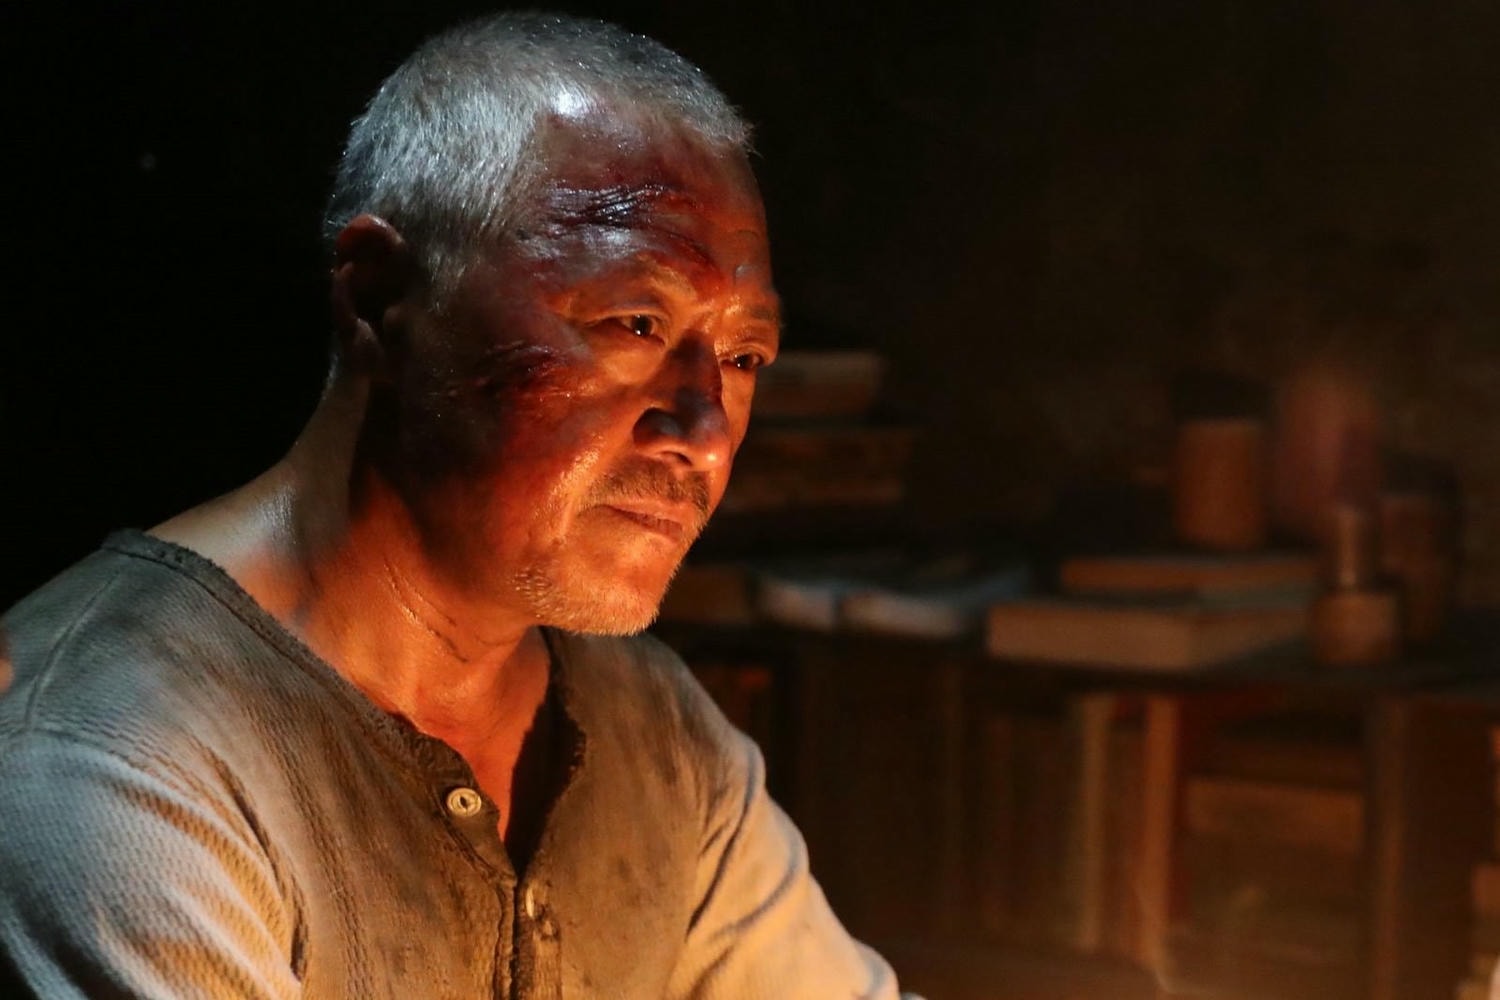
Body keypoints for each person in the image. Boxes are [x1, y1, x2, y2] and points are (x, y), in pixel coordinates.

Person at [0, 13, 911, 999]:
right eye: (636, 321)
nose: (704, 430)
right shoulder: (113, 752)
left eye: (742, 357)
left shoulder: (652, 732)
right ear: (379, 297)